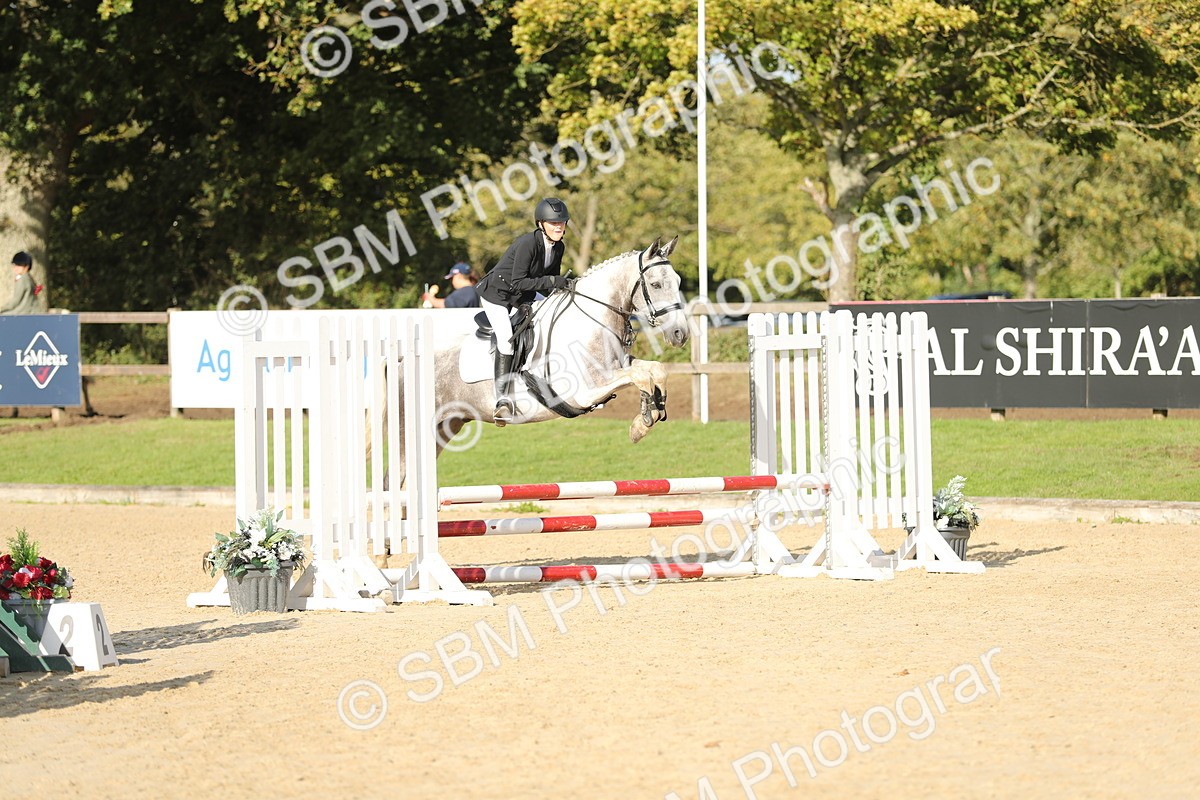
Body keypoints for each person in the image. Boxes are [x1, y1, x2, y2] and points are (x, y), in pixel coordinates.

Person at [476, 197, 575, 425]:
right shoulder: (527, 243)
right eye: (553, 223)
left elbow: (549, 284)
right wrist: (552, 280)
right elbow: (519, 281)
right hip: (498, 294)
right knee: (505, 339)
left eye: (562, 222)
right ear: (541, 224)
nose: (559, 226)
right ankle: (501, 398)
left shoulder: (559, 246)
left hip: (522, 295)